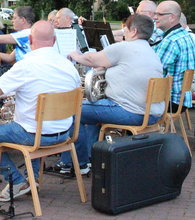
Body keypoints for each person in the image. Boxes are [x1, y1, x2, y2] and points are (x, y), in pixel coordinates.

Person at [0, 21, 80, 202]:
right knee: (33, 121)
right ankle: (33, 178)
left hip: (34, 135)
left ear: (30, 40)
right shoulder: (69, 65)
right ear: (54, 40)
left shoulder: (26, 65)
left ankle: (16, 181)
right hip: (65, 134)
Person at [57, 14, 163, 175]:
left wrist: (76, 55)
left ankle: (80, 163)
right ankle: (85, 158)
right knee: (90, 114)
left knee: (70, 110)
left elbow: (93, 60)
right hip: (151, 113)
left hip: (131, 112)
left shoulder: (125, 47)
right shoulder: (150, 51)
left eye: (125, 29)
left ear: (133, 31)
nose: (123, 33)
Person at [153, 0, 195, 113]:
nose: (155, 17)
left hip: (171, 101)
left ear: (172, 17)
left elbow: (155, 71)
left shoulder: (170, 41)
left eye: (159, 14)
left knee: (127, 100)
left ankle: (133, 130)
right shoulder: (185, 35)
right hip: (183, 99)